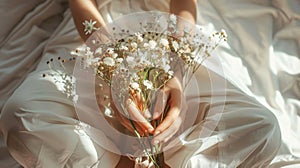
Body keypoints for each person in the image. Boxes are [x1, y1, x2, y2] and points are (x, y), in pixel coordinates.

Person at [0, 0, 281, 167]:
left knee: (262, 128)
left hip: (165, 41)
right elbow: (82, 3)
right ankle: (119, 161)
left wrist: (175, 73)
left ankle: (160, 156)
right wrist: (112, 70)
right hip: (91, 39)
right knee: (21, 115)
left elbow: (184, 5)